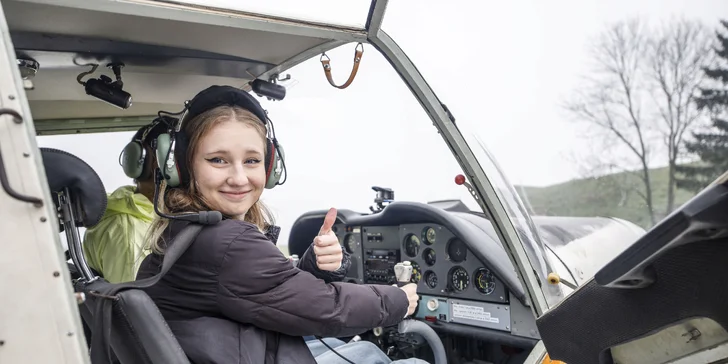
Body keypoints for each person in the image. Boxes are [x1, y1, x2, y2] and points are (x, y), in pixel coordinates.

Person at [136, 85, 425, 364]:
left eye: (251, 161)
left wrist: (315, 266)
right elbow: (329, 310)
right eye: (218, 160)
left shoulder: (182, 231)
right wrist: (398, 300)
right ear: (183, 166)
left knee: (366, 353)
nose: (239, 178)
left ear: (269, 166)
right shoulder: (229, 244)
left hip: (236, 350)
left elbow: (264, 292)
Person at [82, 119, 171, 283]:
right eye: (172, 157)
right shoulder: (127, 230)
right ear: (142, 161)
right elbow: (131, 305)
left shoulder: (161, 216)